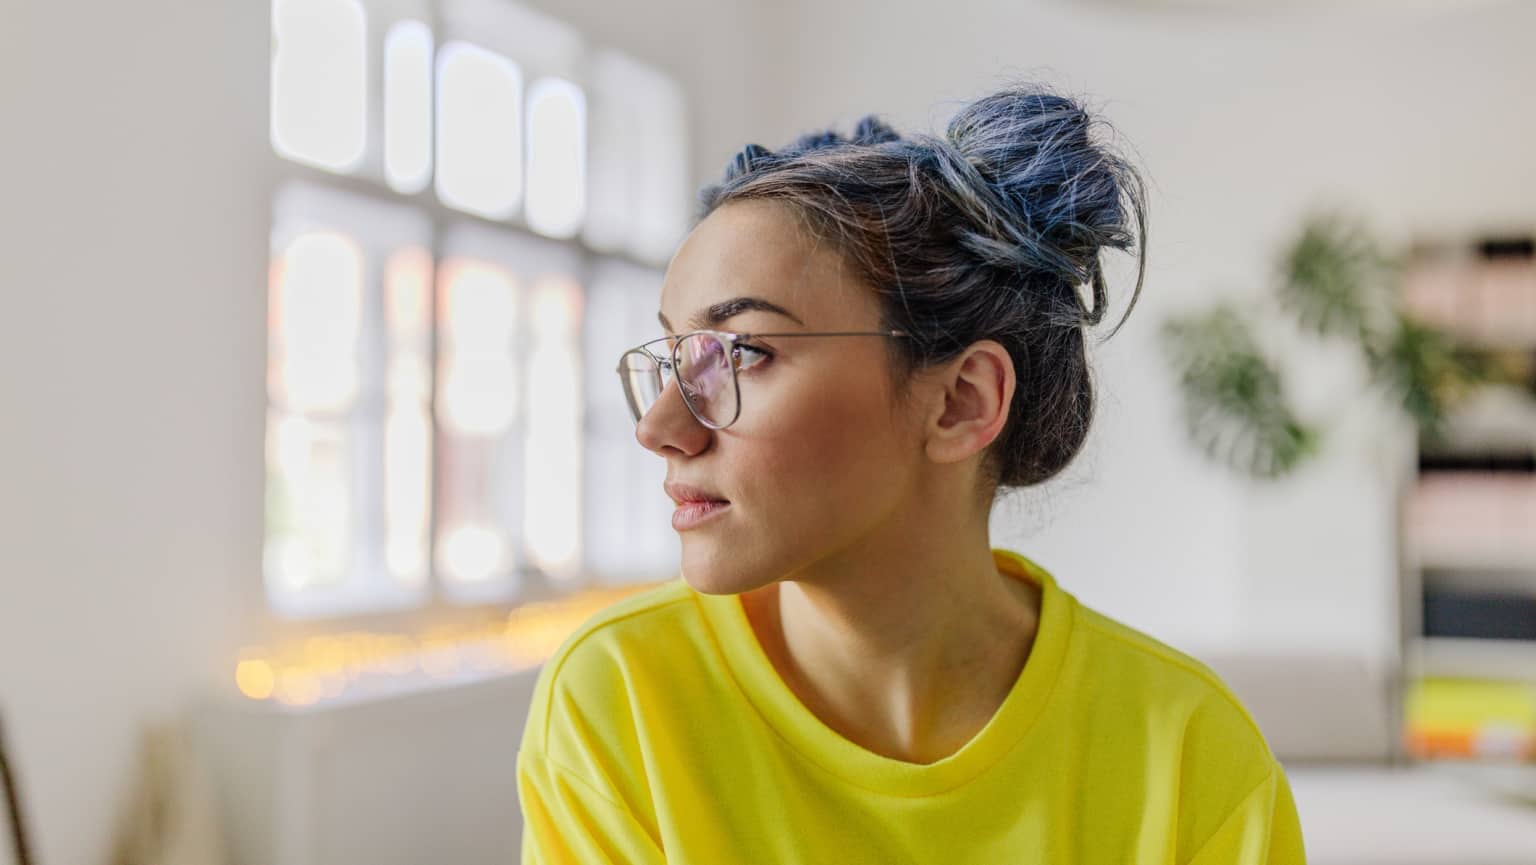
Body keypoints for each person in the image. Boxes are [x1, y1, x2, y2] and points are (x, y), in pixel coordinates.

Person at [516, 81, 1307, 864]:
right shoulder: (622, 701)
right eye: (676, 356)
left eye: (746, 351)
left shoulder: (1190, 756)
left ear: (962, 401)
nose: (659, 428)